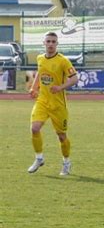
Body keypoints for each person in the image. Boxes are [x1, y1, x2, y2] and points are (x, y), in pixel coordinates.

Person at [28, 31, 78, 175]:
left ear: (57, 44)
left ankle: (66, 163)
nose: (50, 44)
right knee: (34, 128)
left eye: (53, 42)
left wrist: (60, 87)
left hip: (58, 105)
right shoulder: (40, 58)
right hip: (42, 101)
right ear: (44, 43)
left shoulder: (63, 61)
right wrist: (33, 87)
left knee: (61, 136)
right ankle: (39, 158)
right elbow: (39, 72)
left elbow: (74, 79)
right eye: (48, 41)